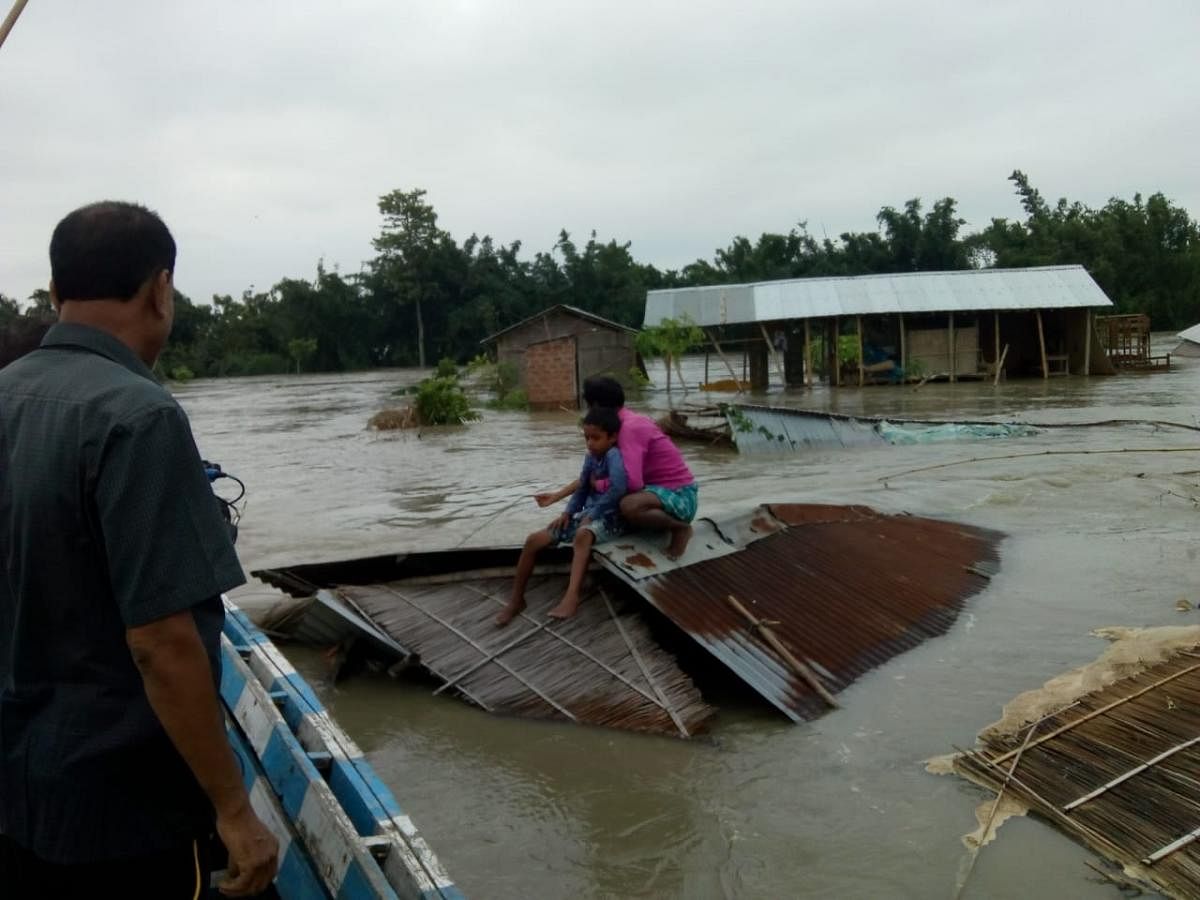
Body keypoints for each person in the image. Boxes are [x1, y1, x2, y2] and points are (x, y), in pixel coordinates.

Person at [0, 202, 279, 898]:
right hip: (121, 809)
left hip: (14, 783)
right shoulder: (139, 416)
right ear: (161, 290)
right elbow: (161, 642)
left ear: (58, 292)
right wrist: (234, 809)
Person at [536, 376, 698, 559]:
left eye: (589, 406)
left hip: (680, 497)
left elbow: (631, 483)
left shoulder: (628, 429)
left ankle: (681, 529)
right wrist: (557, 496)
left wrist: (599, 486)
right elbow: (592, 476)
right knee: (608, 503)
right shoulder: (615, 426)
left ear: (596, 405)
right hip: (657, 495)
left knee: (628, 505)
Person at [497, 406, 627, 626]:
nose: (590, 443)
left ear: (612, 437)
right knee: (533, 540)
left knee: (582, 535)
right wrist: (567, 512)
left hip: (612, 517)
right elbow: (583, 488)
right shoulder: (590, 458)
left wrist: (593, 513)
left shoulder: (614, 456)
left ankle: (572, 596)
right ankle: (516, 600)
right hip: (589, 515)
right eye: (586, 438)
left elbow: (618, 488)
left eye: (596, 438)